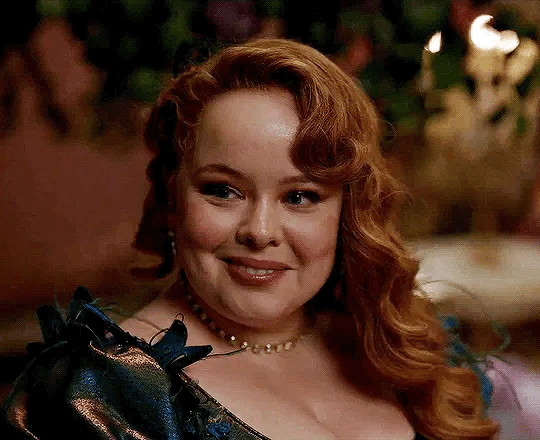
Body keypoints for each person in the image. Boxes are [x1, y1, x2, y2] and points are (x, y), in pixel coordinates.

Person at [3, 39, 498, 439]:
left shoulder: (394, 344)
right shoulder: (97, 392)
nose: (259, 232)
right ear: (173, 197)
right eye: (222, 190)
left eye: (300, 197)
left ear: (348, 213)